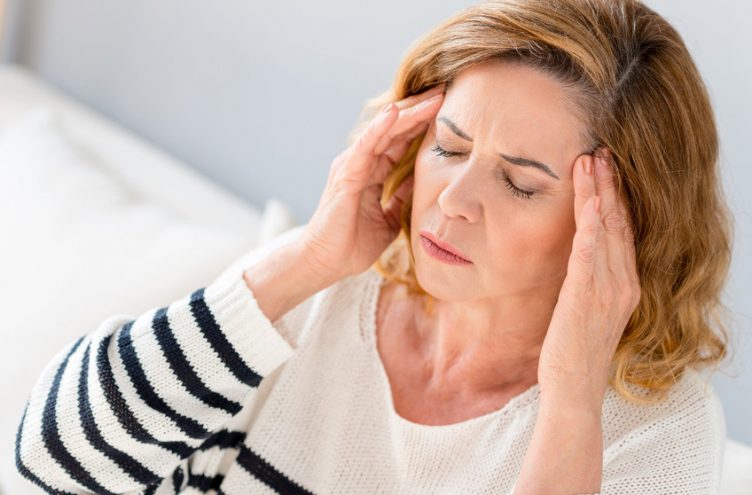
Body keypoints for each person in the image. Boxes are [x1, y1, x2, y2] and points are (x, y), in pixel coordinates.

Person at [15, 0, 733, 493]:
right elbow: (52, 463)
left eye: (519, 183)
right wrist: (303, 263)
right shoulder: (318, 297)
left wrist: (571, 405)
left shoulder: (655, 430)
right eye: (448, 147)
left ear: (619, 228)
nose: (453, 200)